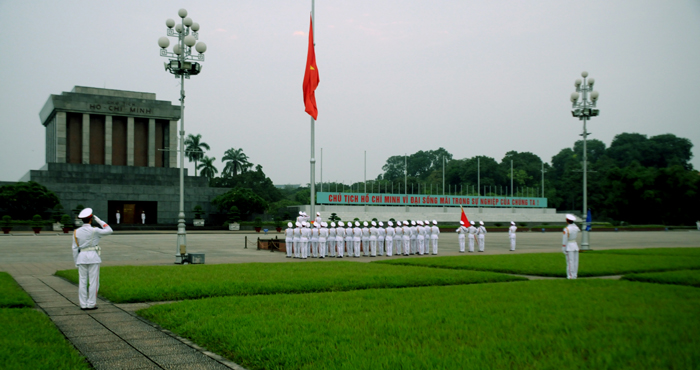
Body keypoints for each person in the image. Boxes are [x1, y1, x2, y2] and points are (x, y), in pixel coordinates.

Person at [71, 208, 113, 310]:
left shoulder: (76, 232)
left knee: (82, 281)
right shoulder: (95, 230)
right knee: (93, 282)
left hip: (82, 257)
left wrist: (76, 261)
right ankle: (91, 304)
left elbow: (74, 248)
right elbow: (110, 230)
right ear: (91, 219)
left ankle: (83, 304)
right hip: (93, 257)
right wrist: (99, 221)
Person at [563, 214, 581, 279]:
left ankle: (570, 276)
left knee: (570, 262)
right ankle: (575, 275)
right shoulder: (576, 228)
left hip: (569, 246)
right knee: (575, 262)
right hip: (575, 245)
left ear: (567, 220)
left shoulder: (567, 229)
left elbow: (565, 240)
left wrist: (563, 248)